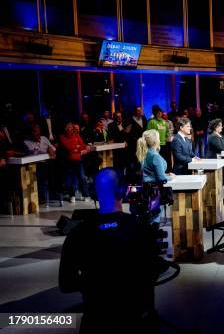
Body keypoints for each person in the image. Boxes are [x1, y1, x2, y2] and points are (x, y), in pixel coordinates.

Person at [59, 168, 160, 333]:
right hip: (135, 321)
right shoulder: (141, 228)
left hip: (95, 322)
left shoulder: (78, 234)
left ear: (95, 194)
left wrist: (96, 283)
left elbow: (66, 283)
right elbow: (153, 272)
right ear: (121, 191)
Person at [60, 123, 91, 203]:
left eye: (72, 128)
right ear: (66, 130)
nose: (72, 130)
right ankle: (72, 195)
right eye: (70, 128)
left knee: (82, 177)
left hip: (78, 160)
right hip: (68, 161)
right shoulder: (62, 137)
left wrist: (78, 149)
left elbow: (83, 146)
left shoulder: (77, 136)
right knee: (70, 179)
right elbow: (69, 148)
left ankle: (86, 195)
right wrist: (78, 150)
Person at [206, 118, 224, 184]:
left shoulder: (221, 135)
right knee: (218, 180)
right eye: (220, 126)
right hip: (214, 160)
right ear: (216, 127)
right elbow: (221, 148)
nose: (222, 127)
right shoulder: (213, 137)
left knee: (223, 177)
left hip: (221, 159)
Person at [146, 106, 170, 172]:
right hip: (155, 146)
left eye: (160, 112)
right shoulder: (151, 122)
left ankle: (164, 174)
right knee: (156, 162)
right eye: (158, 113)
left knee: (164, 161)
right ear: (155, 113)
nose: (160, 114)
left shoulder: (164, 122)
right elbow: (148, 133)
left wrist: (167, 137)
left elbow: (168, 131)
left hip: (164, 144)